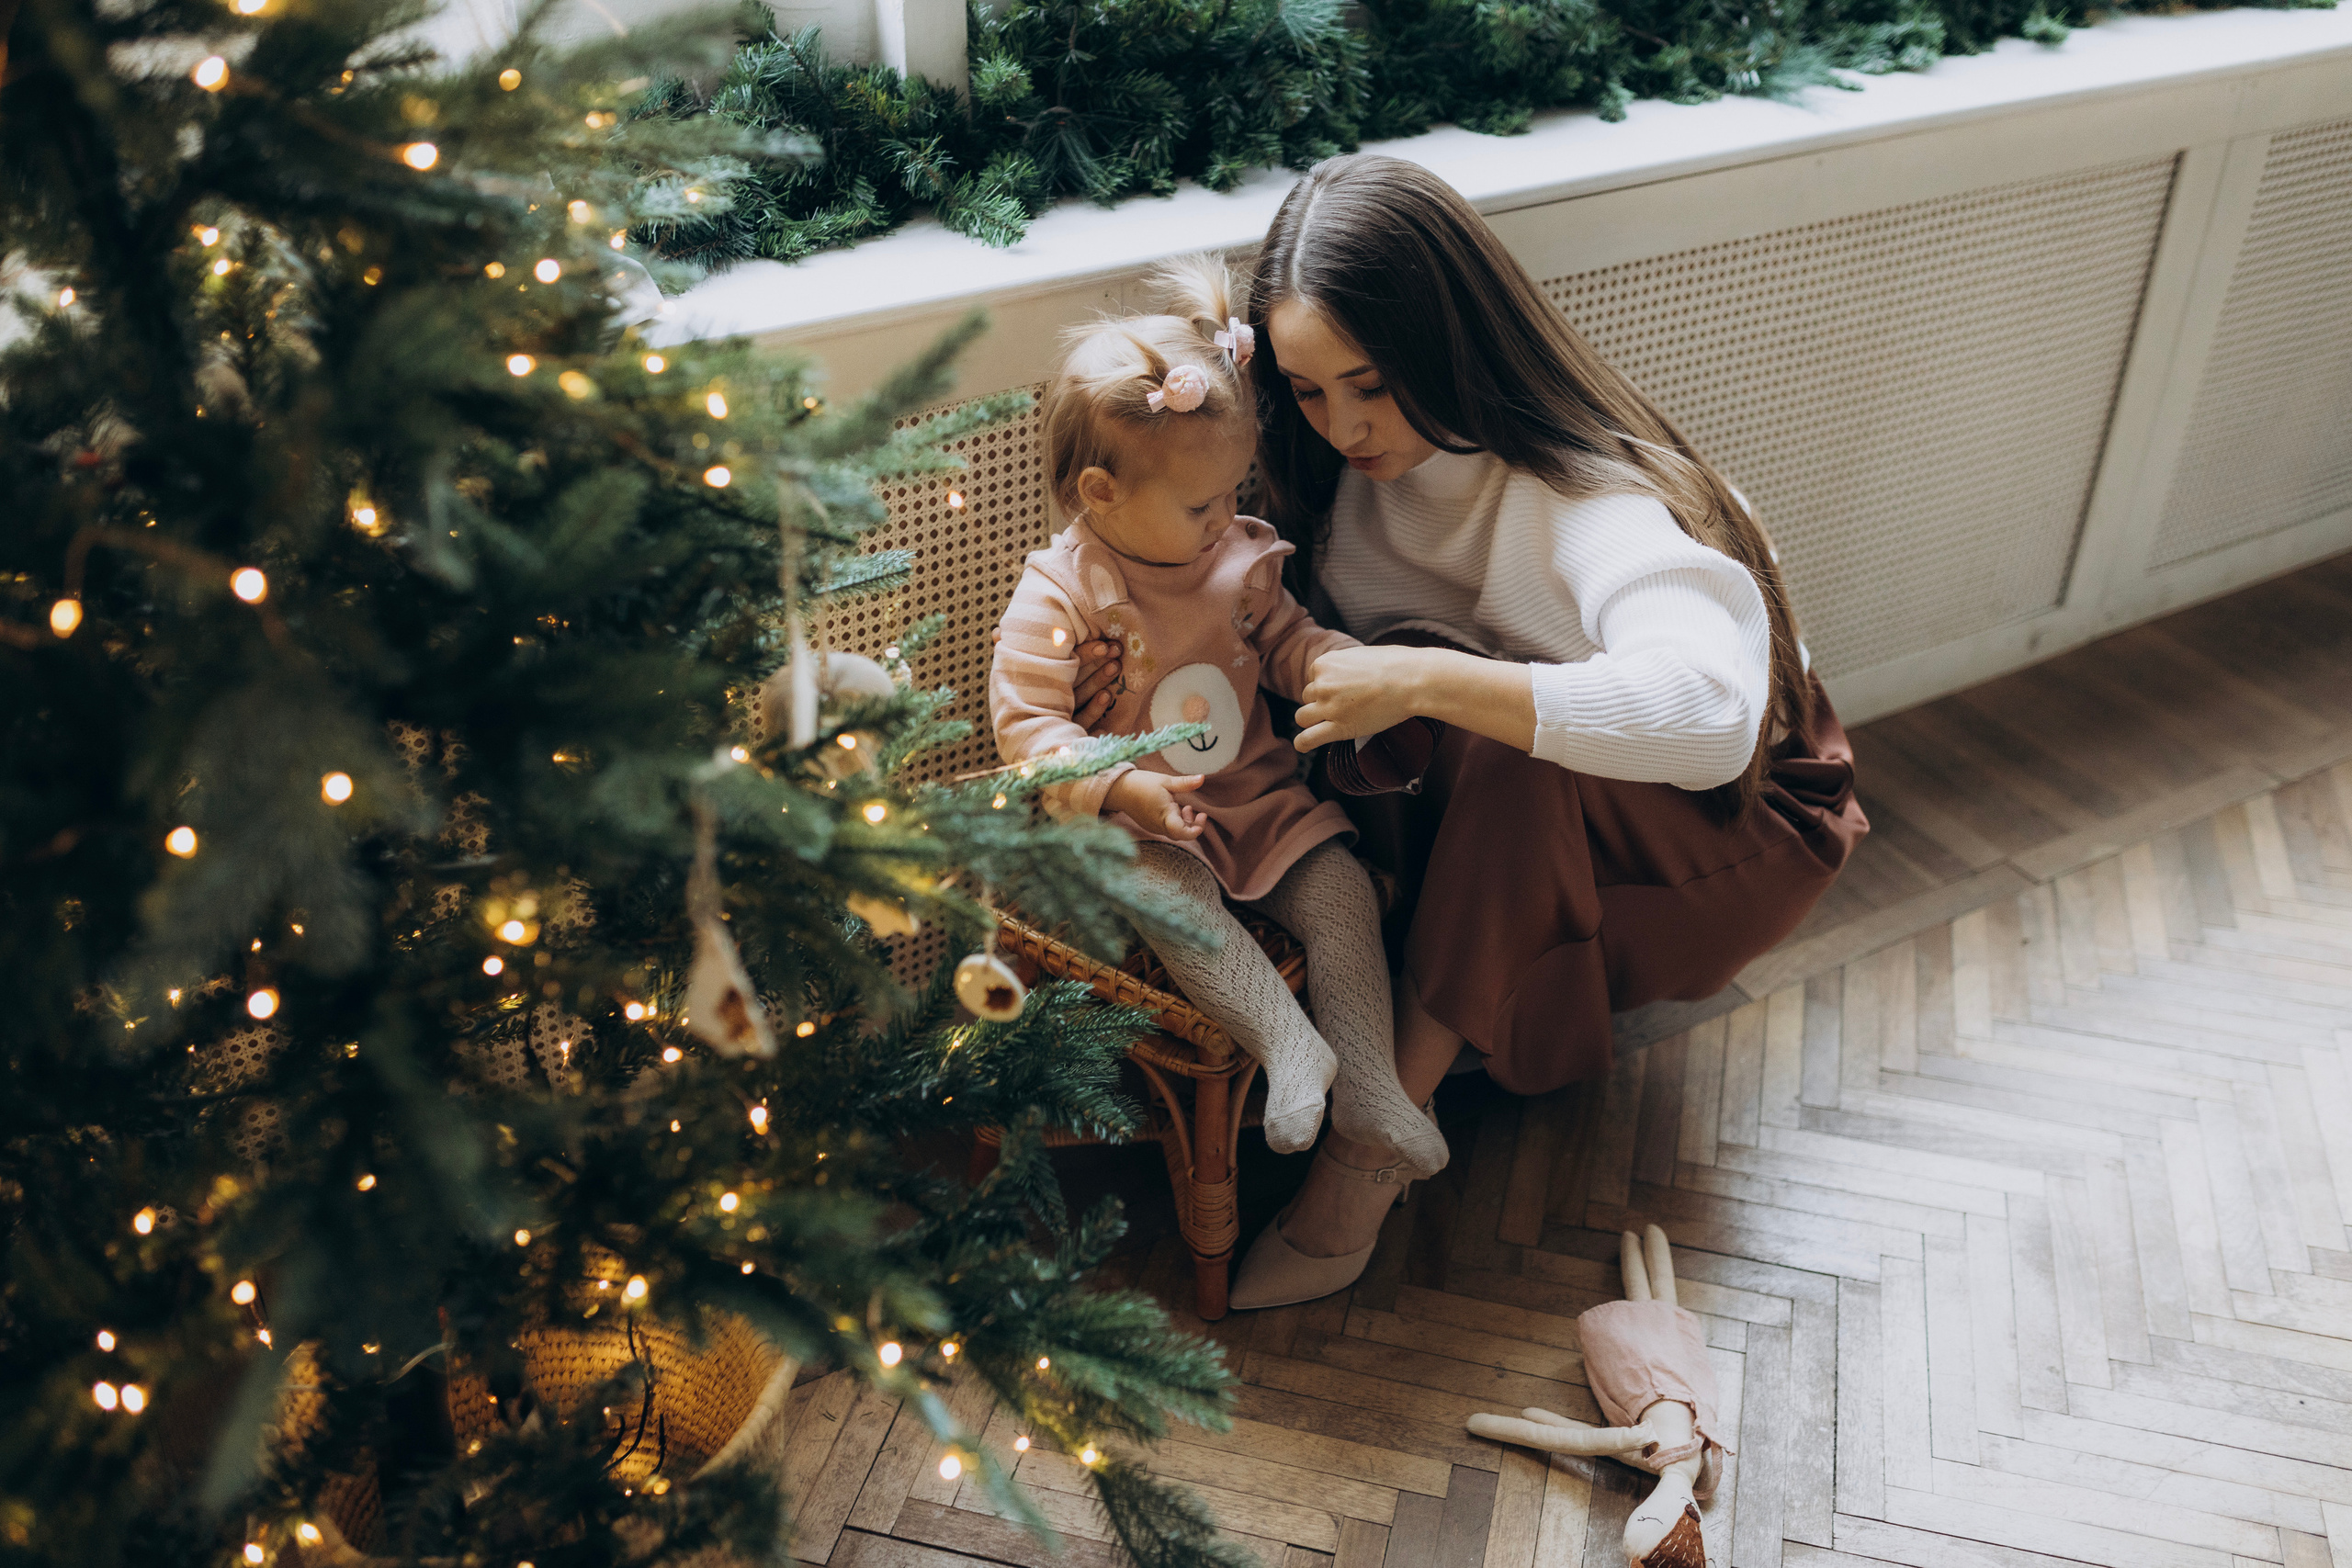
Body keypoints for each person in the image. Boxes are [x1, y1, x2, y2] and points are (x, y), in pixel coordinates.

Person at [1060, 157, 1868, 1309]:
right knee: (1361, 720)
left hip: (1726, 830)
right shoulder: (1326, 461)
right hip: (1534, 805)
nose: (1340, 425)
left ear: (1451, 345)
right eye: (1305, 388)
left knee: (1497, 746)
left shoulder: (1587, 500)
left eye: (1371, 385)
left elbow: (1711, 725)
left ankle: (1366, 1156)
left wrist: (1434, 679)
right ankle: (1390, 1033)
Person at [987, 257, 1451, 1177]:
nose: (1225, 518)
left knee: (1340, 891)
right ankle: (1289, 1046)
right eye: (1203, 504)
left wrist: (1334, 664)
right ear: (1100, 494)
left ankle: (1366, 1081)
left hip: (1255, 792)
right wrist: (1122, 787)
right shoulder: (1065, 592)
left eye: (1235, 493)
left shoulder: (1237, 559)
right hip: (1133, 819)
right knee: (1171, 894)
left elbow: (1284, 638)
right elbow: (1028, 730)